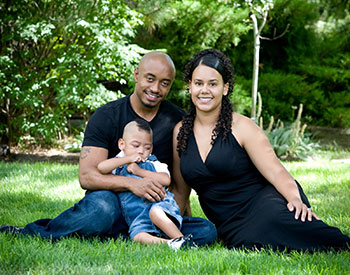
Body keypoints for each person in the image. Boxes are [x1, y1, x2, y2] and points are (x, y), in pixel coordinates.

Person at [0, 51, 217, 247]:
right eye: (149, 79)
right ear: (136, 75)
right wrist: (134, 184)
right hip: (111, 201)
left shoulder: (177, 121)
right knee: (99, 211)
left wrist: (171, 216)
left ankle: (134, 235)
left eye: (164, 83)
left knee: (206, 231)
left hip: (151, 210)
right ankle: (35, 232)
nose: (155, 88)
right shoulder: (106, 116)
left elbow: (180, 186)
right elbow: (87, 176)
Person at [171, 48, 350, 251]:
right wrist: (168, 225)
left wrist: (294, 199)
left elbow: (276, 170)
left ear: (225, 88)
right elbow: (180, 190)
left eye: (213, 84)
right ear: (190, 86)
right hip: (227, 223)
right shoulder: (180, 132)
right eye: (198, 83)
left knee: (278, 227)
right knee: (247, 242)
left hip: (265, 204)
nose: (205, 90)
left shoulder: (242, 127)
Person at [97, 119, 196, 250]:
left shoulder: (154, 163)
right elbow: (101, 167)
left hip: (159, 205)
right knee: (137, 236)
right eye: (135, 145)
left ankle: (181, 239)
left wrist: (139, 171)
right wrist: (127, 160)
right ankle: (171, 244)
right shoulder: (118, 163)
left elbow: (165, 180)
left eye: (147, 147)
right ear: (122, 144)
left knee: (155, 213)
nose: (141, 151)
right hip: (138, 216)